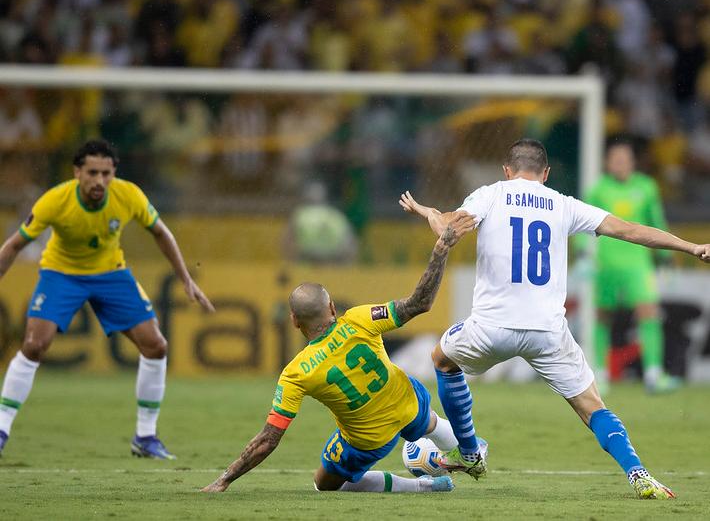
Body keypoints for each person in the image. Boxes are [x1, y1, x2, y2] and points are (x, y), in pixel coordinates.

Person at [399, 138, 709, 500]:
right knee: (593, 406)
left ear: (506, 170)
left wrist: (430, 214)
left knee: (442, 359)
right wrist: (691, 247)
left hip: (492, 326)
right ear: (545, 174)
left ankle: (468, 452)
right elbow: (629, 230)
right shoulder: (563, 204)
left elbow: (448, 230)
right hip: (547, 331)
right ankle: (639, 474)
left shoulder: (491, 194)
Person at [202, 213, 477, 494]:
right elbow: (419, 303)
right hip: (409, 401)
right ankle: (471, 450)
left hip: (369, 439)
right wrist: (441, 249)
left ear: (294, 320)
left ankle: (424, 486)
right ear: (332, 308)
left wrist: (225, 479)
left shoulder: (296, 373)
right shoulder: (360, 318)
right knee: (423, 417)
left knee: (324, 484)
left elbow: (268, 440)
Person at [0, 140, 214, 458]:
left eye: (106, 173)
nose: (99, 180)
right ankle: (2, 429)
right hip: (61, 274)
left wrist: (185, 279)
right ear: (77, 173)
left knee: (156, 345)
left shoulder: (128, 195)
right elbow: (14, 245)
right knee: (34, 345)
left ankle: (145, 437)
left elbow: (161, 232)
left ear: (114, 173)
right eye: (92, 173)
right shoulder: (55, 201)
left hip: (111, 275)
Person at [583, 139, 677, 393]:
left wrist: (666, 258)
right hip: (607, 263)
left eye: (624, 160)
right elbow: (582, 224)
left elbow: (655, 220)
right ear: (607, 163)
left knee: (648, 312)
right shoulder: (598, 189)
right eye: (615, 160)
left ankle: (653, 375)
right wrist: (583, 254)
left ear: (632, 162)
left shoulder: (646, 187)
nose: (620, 164)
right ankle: (600, 375)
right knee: (603, 316)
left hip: (638, 262)